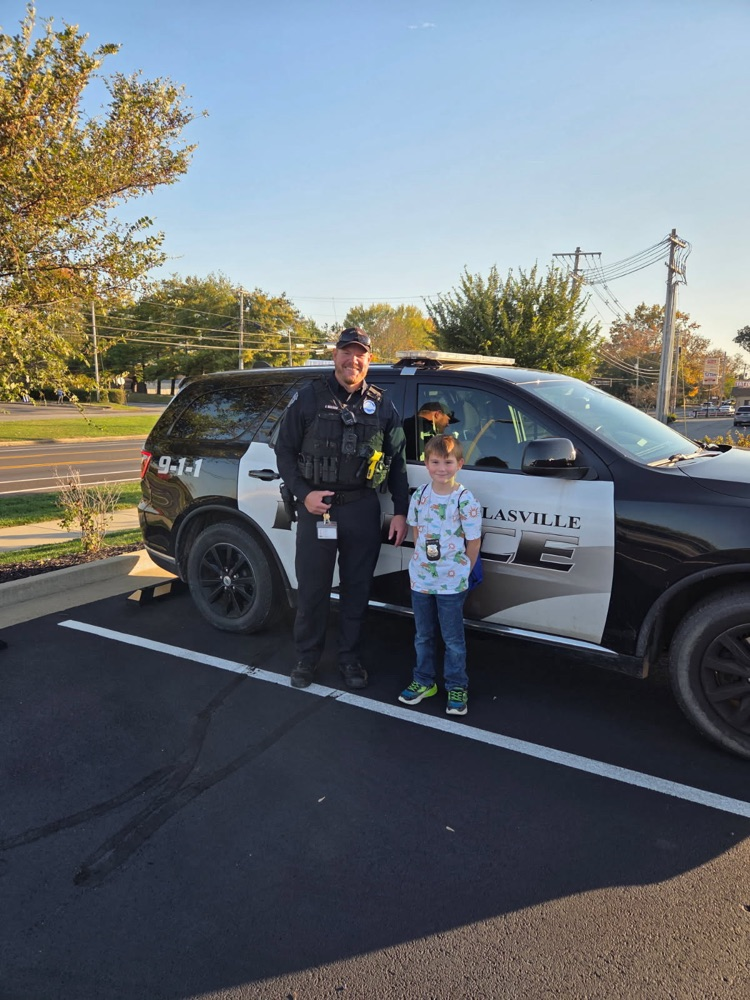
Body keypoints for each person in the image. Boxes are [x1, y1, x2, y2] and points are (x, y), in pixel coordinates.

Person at [274, 327, 409, 690]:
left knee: (357, 589)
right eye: (347, 352)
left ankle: (349, 659)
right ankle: (306, 658)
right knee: (313, 589)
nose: (353, 360)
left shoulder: (382, 405)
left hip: (362, 509)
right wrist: (304, 494)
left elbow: (397, 461)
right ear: (335, 355)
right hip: (319, 508)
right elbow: (283, 450)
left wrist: (400, 510)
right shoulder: (309, 398)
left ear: (369, 358)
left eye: (360, 353)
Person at [398, 434, 482, 716]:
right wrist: (420, 560)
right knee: (423, 634)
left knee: (453, 638)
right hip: (421, 578)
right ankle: (424, 680)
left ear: (460, 464)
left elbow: (473, 541)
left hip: (452, 582)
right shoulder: (420, 495)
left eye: (448, 462)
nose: (441, 468)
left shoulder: (465, 499)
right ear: (426, 463)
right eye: (435, 462)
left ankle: (457, 685)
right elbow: (417, 530)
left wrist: (464, 572)